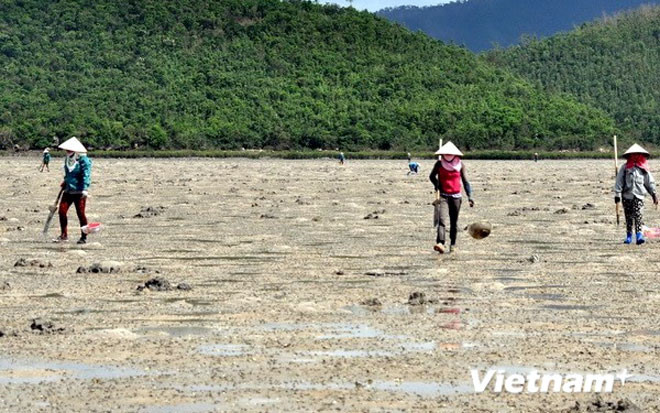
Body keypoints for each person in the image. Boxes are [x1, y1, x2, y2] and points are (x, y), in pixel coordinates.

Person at [429, 141, 474, 253]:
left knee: (454, 222)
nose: (448, 156)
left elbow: (465, 181)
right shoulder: (439, 164)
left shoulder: (460, 165)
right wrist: (437, 185)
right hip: (443, 196)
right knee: (442, 220)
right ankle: (441, 243)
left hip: (456, 197)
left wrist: (470, 196)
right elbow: (431, 176)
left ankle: (452, 244)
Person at [614, 143, 657, 245]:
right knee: (628, 217)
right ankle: (629, 236)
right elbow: (619, 181)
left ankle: (639, 235)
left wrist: (653, 194)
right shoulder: (625, 168)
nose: (635, 156)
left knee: (638, 215)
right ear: (629, 155)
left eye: (637, 154)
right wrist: (617, 194)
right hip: (626, 196)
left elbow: (649, 182)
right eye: (633, 154)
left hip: (639, 196)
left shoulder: (643, 168)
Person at [55, 137, 92, 244]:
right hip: (68, 190)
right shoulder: (67, 159)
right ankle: (64, 235)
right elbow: (68, 173)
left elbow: (86, 174)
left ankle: (83, 237)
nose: (68, 151)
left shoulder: (83, 160)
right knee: (62, 211)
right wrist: (65, 181)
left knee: (80, 214)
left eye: (70, 149)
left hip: (79, 191)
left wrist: (85, 188)